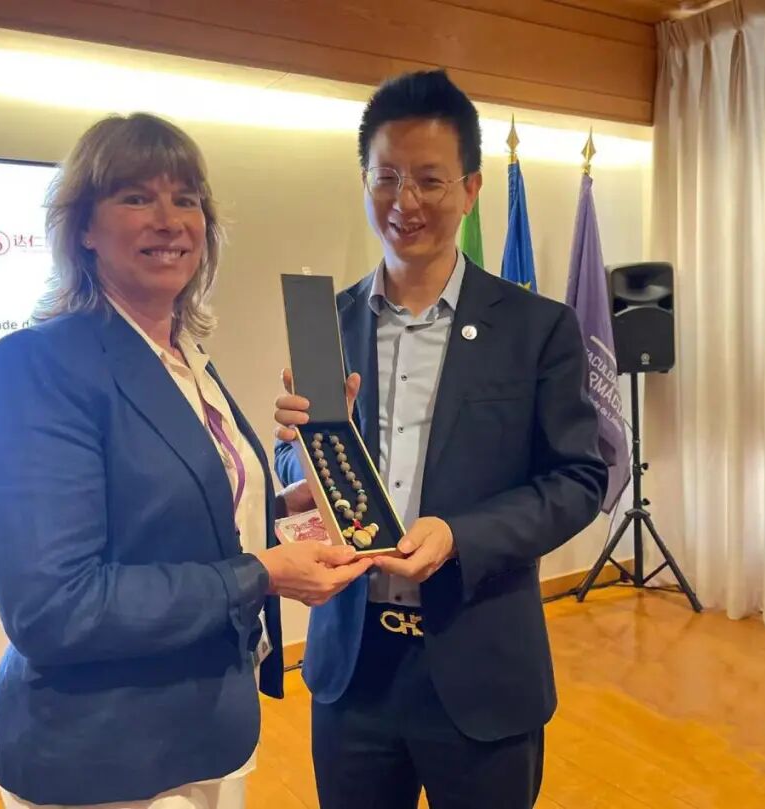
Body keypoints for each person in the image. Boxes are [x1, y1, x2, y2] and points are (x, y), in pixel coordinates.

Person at [0, 113, 371, 809]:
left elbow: (175, 511)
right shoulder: (35, 368)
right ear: (83, 227)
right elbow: (54, 608)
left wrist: (287, 504)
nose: (170, 220)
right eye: (136, 197)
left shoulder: (186, 359)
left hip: (208, 730)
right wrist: (263, 573)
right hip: (104, 754)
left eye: (186, 199)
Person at [273, 70, 608, 809]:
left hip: (482, 665)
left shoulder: (537, 328)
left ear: (472, 188)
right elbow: (300, 460)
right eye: (387, 177)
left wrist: (459, 535)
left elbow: (579, 479)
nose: (407, 202)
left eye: (429, 179)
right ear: (365, 182)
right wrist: (295, 457)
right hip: (353, 668)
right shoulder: (327, 323)